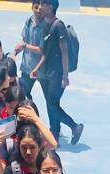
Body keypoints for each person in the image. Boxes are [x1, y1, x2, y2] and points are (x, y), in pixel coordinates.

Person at [31, 0, 84, 145]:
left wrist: (65, 76)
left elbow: (64, 52)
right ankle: (54, 136)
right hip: (47, 73)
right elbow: (45, 52)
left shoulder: (58, 26)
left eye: (43, 4)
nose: (40, 7)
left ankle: (74, 126)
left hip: (57, 74)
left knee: (52, 106)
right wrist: (37, 68)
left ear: (51, 7)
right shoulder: (45, 25)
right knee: (51, 104)